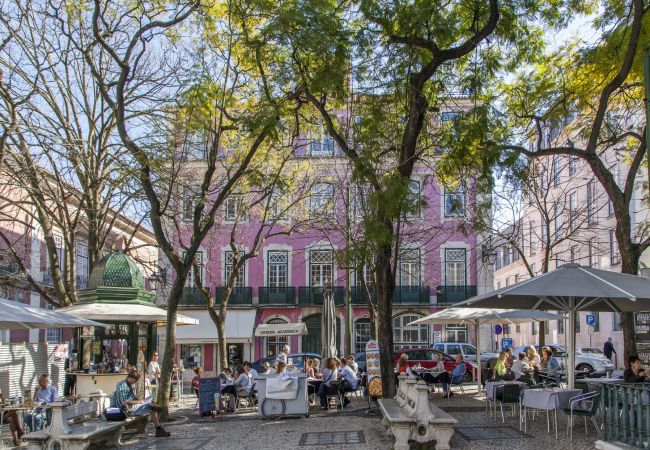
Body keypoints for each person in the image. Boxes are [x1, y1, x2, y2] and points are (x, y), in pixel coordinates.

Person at [112, 370, 170, 437]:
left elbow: (132, 398)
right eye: (135, 381)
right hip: (125, 409)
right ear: (131, 378)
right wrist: (139, 402)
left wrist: (142, 401)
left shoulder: (128, 384)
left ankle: (159, 428)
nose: (134, 383)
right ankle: (159, 429)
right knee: (151, 407)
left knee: (151, 404)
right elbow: (123, 402)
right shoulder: (123, 385)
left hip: (131, 406)